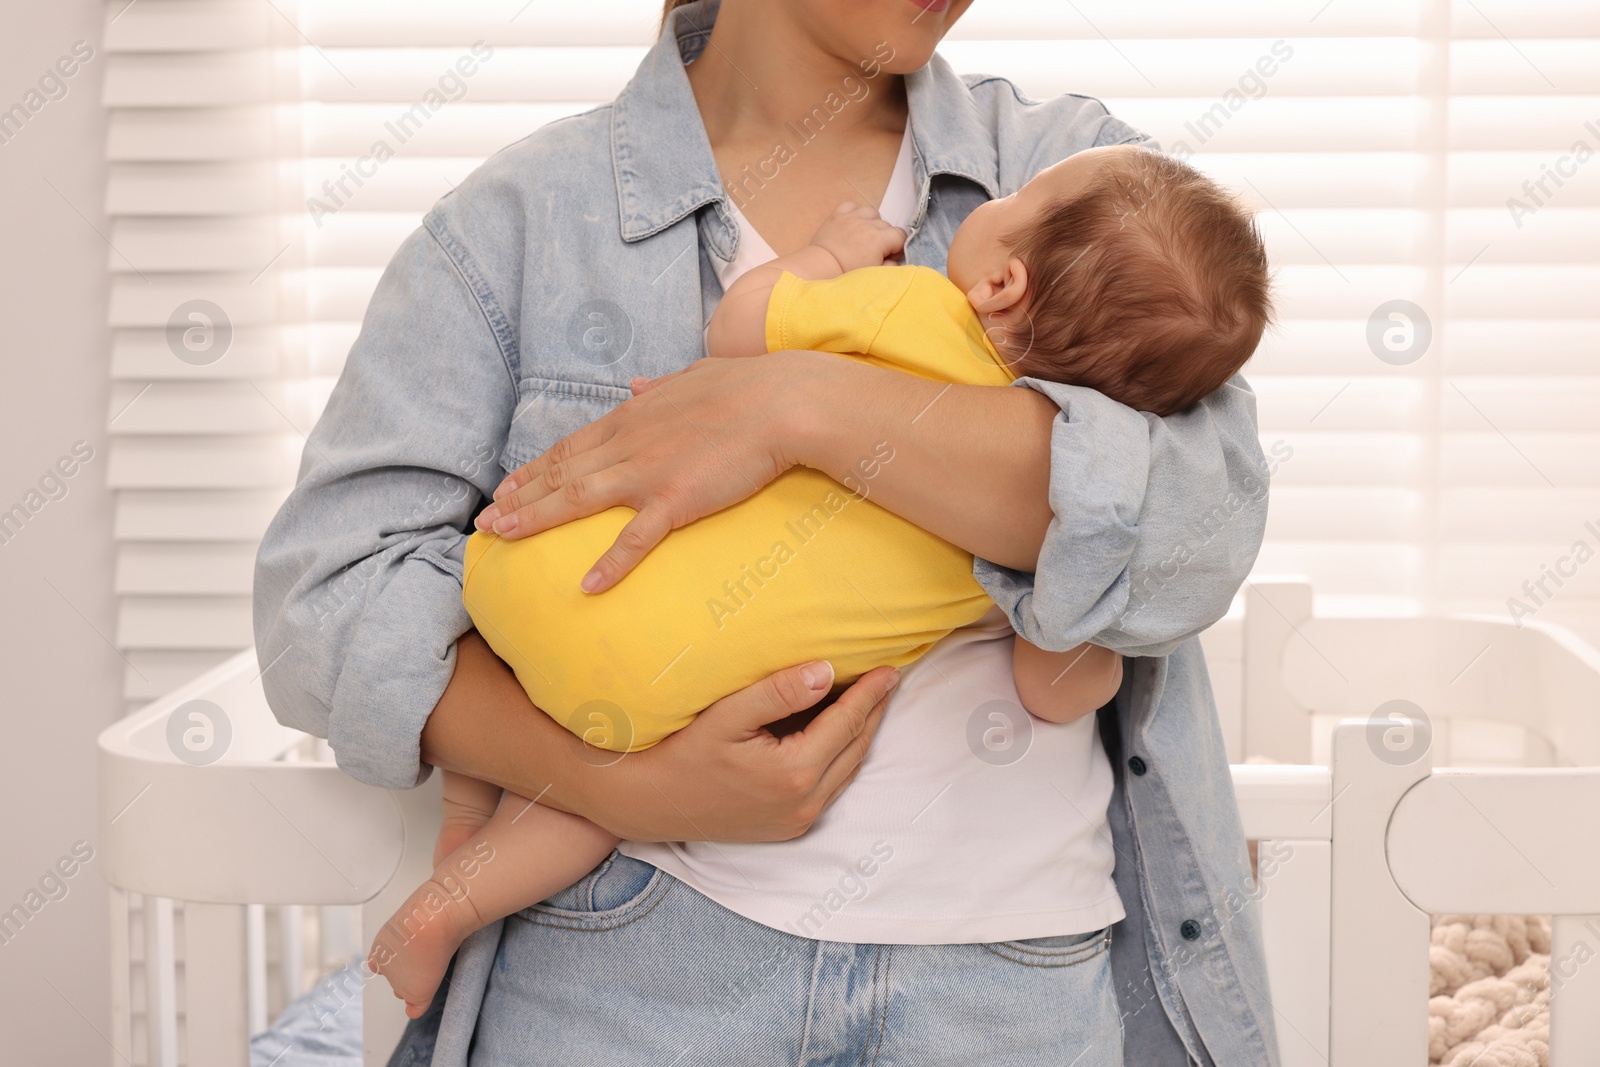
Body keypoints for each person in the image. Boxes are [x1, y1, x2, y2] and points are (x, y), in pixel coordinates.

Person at [253, 1, 1282, 1064]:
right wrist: (616, 784)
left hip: (1007, 973)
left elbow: (1198, 530)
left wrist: (797, 407)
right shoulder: (520, 226)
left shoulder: (1079, 175)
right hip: (631, 963)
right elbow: (325, 606)